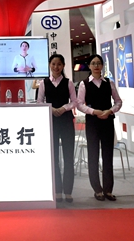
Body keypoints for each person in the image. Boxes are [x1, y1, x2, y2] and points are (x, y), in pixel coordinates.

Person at [77, 54, 123, 201]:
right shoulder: (84, 84)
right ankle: (97, 189)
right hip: (92, 123)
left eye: (98, 63)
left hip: (107, 122)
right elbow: (79, 104)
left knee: (108, 156)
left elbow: (118, 101)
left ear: (102, 66)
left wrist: (110, 111)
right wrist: (93, 111)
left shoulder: (109, 83)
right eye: (93, 63)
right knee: (93, 155)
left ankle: (108, 190)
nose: (96, 66)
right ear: (89, 66)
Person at [36, 53, 77, 203]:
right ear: (49, 65)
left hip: (66, 121)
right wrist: (51, 109)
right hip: (51, 120)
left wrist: (63, 108)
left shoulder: (68, 82)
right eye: (53, 64)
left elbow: (75, 101)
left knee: (68, 156)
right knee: (53, 158)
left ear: (63, 66)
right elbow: (39, 101)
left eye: (59, 64)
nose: (56, 67)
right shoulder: (43, 83)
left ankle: (68, 191)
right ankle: (57, 190)